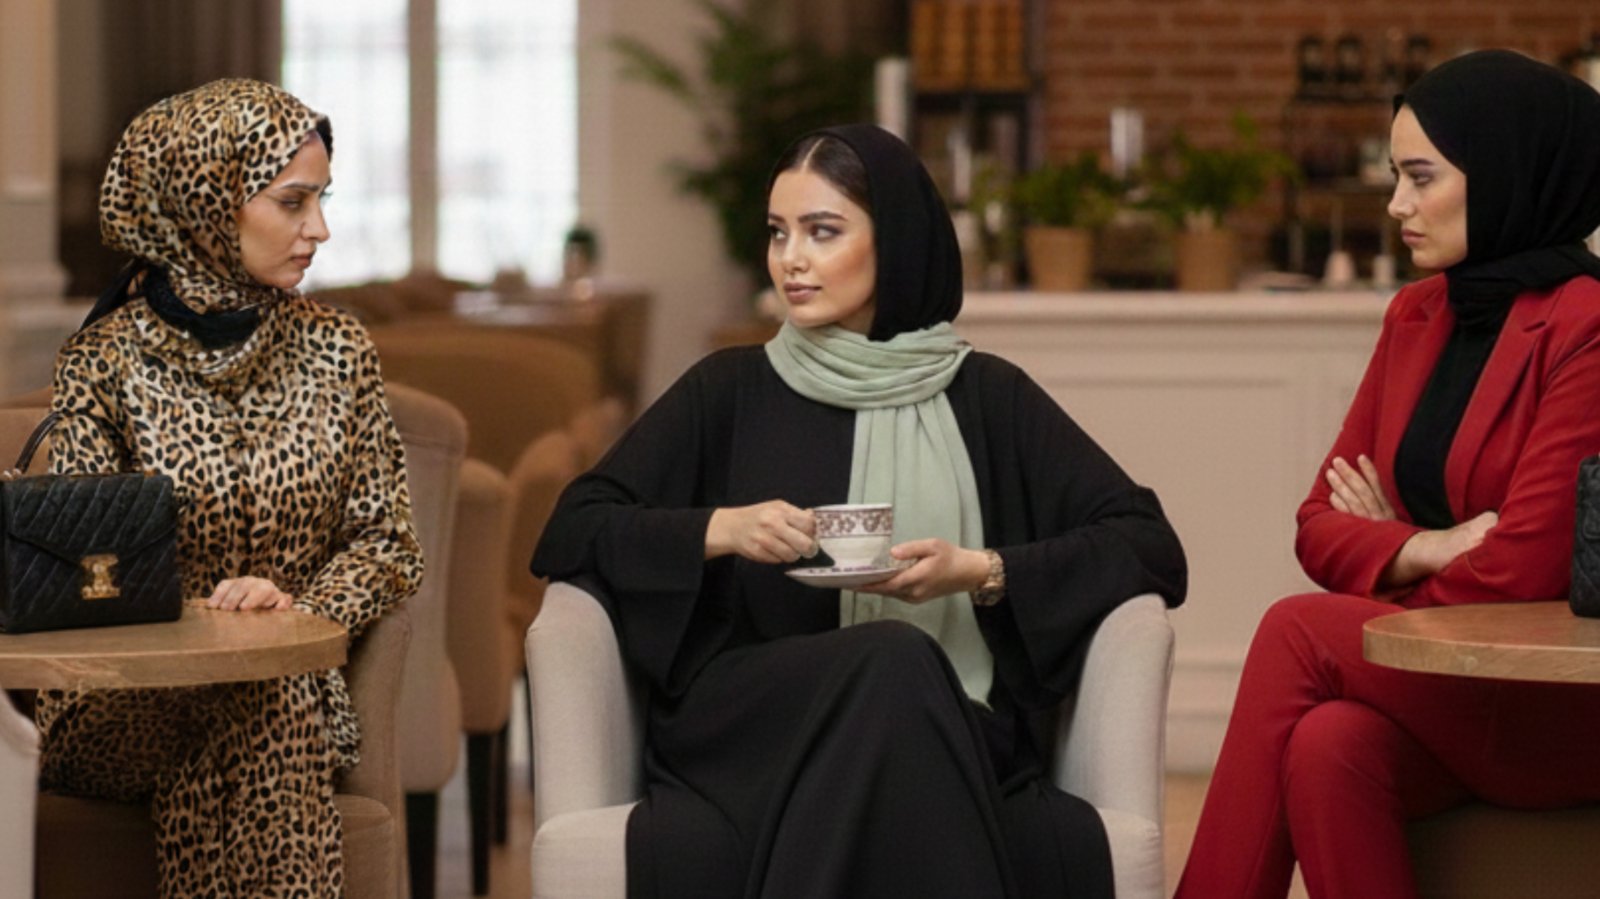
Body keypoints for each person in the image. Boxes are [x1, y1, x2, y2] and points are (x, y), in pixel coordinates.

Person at [530, 124, 1186, 899]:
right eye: (778, 232)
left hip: (943, 719)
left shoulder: (988, 398)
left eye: (822, 231)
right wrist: (720, 528)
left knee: (900, 674)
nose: (790, 258)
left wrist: (979, 570)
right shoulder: (728, 389)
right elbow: (574, 525)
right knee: (896, 657)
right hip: (754, 724)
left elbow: (1149, 544)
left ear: (896, 242)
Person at [1177, 50, 1600, 899]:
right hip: (1449, 687)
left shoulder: (1586, 323)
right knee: (1328, 745)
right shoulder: (1417, 311)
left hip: (1555, 702)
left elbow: (1524, 568)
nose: (1396, 204)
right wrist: (1426, 546)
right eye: (1396, 176)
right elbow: (1316, 522)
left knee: (1296, 630)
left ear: (1507, 174)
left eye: (1421, 177)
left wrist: (1383, 551)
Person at [35, 78, 423, 897]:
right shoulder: (104, 361)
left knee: (259, 698)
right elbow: (86, 563)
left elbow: (388, 540)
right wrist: (207, 625)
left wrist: (295, 612)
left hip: (289, 684)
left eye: (321, 200)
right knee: (249, 704)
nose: (320, 229)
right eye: (292, 202)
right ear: (206, 201)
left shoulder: (339, 350)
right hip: (122, 701)